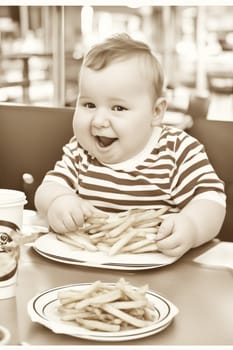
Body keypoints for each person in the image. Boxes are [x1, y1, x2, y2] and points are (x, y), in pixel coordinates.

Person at [35, 33, 226, 258]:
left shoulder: (177, 151)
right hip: (85, 265)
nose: (98, 121)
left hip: (160, 269)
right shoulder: (80, 152)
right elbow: (46, 190)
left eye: (118, 108)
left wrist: (192, 226)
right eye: (88, 104)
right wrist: (58, 201)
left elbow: (210, 199)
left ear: (155, 112)